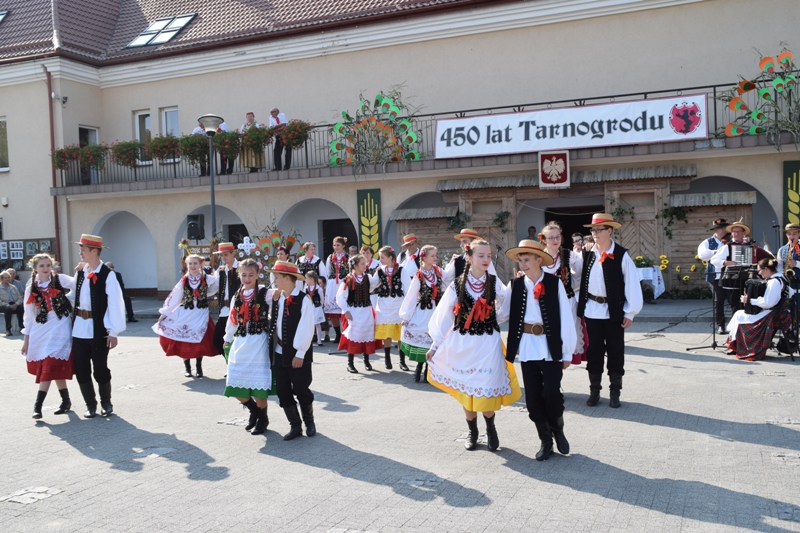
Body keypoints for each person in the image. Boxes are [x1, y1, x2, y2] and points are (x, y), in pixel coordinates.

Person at [426, 239, 521, 452]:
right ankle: (472, 431)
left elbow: (506, 305)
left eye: (489, 256)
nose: (486, 259)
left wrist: (494, 318)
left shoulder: (494, 283)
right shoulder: (457, 285)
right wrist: (435, 345)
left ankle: (491, 429)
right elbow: (443, 317)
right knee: (467, 391)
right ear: (469, 257)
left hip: (488, 343)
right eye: (481, 255)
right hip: (463, 344)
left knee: (486, 387)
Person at [503, 239, 576, 461]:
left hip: (550, 346)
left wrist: (567, 352)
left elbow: (566, 318)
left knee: (552, 393)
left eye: (526, 260)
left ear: (538, 260)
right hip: (527, 346)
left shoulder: (554, 283)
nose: (522, 264)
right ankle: (545, 440)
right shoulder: (515, 285)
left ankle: (558, 430)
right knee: (533, 399)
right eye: (520, 260)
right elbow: (502, 313)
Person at [576, 213, 643, 409]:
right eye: (593, 230)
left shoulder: (621, 255)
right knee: (594, 352)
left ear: (610, 231)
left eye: (599, 229)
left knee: (615, 351)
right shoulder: (588, 254)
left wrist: (630, 312)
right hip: (592, 310)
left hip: (614, 311)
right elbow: (576, 278)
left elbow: (632, 284)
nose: (595, 233)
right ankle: (594, 391)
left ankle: (615, 392)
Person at [71, 234, 127, 418]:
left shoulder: (107, 275)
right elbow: (73, 295)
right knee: (81, 368)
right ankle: (90, 405)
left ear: (94, 251)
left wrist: (114, 331)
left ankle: (106, 403)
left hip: (98, 329)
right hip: (79, 328)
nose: (80, 253)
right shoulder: (81, 272)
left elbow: (115, 304)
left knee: (100, 368)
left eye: (83, 249)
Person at [222, 259, 275, 435]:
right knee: (234, 381)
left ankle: (263, 418)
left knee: (259, 385)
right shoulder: (237, 295)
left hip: (259, 342)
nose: (247, 278)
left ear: (258, 274)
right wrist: (227, 338)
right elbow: (232, 319)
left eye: (251, 275)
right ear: (239, 275)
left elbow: (282, 301)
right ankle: (253, 411)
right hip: (241, 342)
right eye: (243, 275)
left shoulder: (266, 293)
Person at [21, 254, 76, 419]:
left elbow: (79, 285)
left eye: (48, 265)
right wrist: (26, 340)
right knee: (53, 366)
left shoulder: (59, 279)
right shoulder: (31, 286)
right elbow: (29, 315)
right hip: (41, 328)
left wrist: (68, 299)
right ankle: (66, 401)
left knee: (50, 363)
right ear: (35, 268)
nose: (45, 269)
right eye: (41, 266)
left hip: (60, 326)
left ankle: (37, 407)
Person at [267, 261, 317, 440]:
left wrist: (300, 353)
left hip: (297, 353)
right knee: (283, 390)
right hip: (280, 352)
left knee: (302, 389)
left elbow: (307, 327)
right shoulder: (278, 297)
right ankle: (295, 425)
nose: (274, 280)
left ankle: (309, 422)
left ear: (288, 278)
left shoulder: (303, 299)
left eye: (277, 277)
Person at [153, 254, 220, 378]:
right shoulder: (184, 280)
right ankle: (187, 368)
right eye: (190, 263)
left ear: (200, 265)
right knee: (183, 340)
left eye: (195, 263)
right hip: (186, 312)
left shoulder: (207, 278)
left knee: (200, 340)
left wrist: (217, 275)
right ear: (187, 265)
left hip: (200, 313)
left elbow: (215, 286)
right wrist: (165, 313)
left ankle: (199, 367)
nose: (192, 266)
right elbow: (175, 297)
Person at [726, 257, 791, 361]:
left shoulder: (774, 282)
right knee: (738, 313)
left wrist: (749, 300)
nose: (759, 273)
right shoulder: (782, 278)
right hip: (776, 312)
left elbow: (768, 303)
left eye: (759, 270)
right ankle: (735, 345)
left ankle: (737, 346)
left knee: (738, 315)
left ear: (766, 269)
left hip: (770, 315)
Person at [541, 222, 584, 359]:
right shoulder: (539, 257)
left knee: (567, 332)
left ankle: (565, 358)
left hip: (567, 301)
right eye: (551, 238)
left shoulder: (569, 255)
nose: (555, 240)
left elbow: (580, 273)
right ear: (544, 240)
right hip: (546, 302)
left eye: (557, 237)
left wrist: (572, 284)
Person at [710, 219, 773, 313]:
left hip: (749, 281)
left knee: (749, 305)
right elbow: (714, 260)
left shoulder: (751, 246)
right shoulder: (727, 247)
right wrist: (725, 262)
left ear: (743, 233)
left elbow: (769, 258)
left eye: (738, 232)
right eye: (733, 232)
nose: (735, 234)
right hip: (732, 282)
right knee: (735, 306)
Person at [399, 245, 442, 382]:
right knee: (423, 338)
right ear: (424, 257)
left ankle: (428, 372)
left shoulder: (438, 272)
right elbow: (411, 296)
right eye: (432, 256)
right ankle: (418, 369)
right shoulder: (419, 276)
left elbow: (449, 280)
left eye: (435, 255)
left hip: (436, 311)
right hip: (423, 311)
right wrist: (406, 316)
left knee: (433, 340)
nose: (435, 258)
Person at [336, 254, 380, 373]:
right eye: (362, 264)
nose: (365, 265)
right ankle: (350, 363)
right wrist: (346, 310)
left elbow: (373, 285)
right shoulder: (348, 279)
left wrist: (378, 272)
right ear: (355, 266)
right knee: (354, 334)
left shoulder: (367, 277)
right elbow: (340, 297)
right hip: (354, 311)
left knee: (366, 334)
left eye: (365, 263)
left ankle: (366, 361)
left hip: (366, 310)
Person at [373, 246, 408, 371]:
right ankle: (387, 359)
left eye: (382, 257)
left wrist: (408, 306)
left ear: (390, 257)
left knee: (400, 334)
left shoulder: (402, 270)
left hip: (397, 304)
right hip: (384, 305)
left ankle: (402, 361)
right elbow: (372, 285)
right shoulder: (380, 270)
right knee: (386, 333)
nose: (380, 259)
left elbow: (408, 287)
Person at [697, 218, 731, 334]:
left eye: (724, 228)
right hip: (715, 275)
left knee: (733, 300)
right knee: (718, 301)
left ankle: (735, 325)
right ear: (715, 230)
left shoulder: (730, 240)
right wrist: (716, 252)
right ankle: (721, 325)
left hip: (730, 275)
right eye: (720, 228)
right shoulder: (708, 242)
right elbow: (702, 254)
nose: (723, 230)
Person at [212, 242, 240, 356]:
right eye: (222, 255)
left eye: (226, 254)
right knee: (218, 338)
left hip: (238, 309)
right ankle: (229, 361)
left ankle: (234, 362)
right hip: (224, 309)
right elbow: (213, 287)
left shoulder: (241, 267)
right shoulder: (221, 270)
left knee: (235, 338)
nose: (224, 257)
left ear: (233, 253)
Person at [324, 236, 350, 344]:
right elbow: (327, 272)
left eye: (338, 245)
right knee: (333, 312)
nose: (336, 247)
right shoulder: (330, 257)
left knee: (344, 309)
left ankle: (346, 334)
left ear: (343, 245)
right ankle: (338, 334)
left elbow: (351, 271)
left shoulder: (348, 257)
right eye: (334, 245)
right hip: (332, 285)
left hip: (344, 284)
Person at [304, 271, 326, 346]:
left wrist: (320, 306)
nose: (305, 280)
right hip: (309, 308)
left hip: (317, 308)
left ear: (311, 279)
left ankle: (319, 340)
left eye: (306, 278)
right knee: (309, 325)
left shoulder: (318, 288)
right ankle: (309, 340)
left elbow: (322, 299)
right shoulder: (306, 288)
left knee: (317, 324)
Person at [1, 270, 23, 336]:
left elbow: (20, 298)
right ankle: (8, 330)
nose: (7, 279)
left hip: (14, 304)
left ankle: (22, 327)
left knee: (21, 308)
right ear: (1, 279)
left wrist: (16, 304)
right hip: (3, 305)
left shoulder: (13, 287)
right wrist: (8, 305)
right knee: (8, 309)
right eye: (5, 278)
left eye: (8, 277)